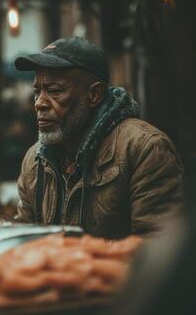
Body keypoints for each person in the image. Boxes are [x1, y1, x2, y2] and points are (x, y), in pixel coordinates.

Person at [14, 37, 184, 238]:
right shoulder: (35, 160)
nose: (39, 103)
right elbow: (21, 239)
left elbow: (157, 248)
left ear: (94, 94)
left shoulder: (145, 149)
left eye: (54, 91)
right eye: (37, 92)